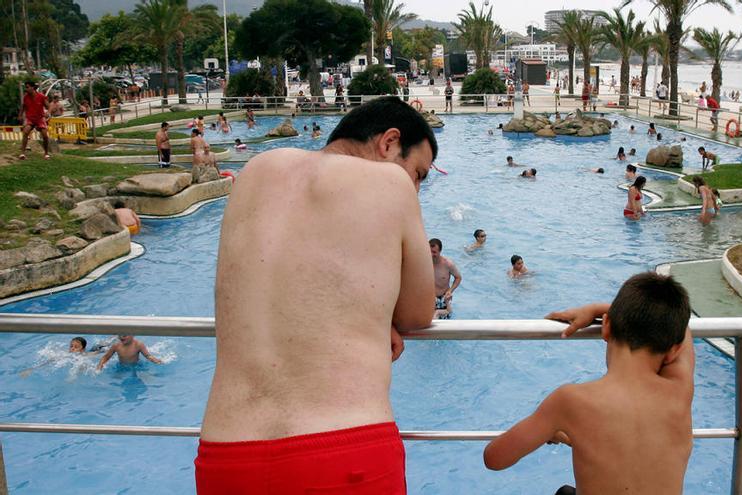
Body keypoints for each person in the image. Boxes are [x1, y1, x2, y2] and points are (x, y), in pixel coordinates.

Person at [197, 97, 437, 494]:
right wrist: (378, 323)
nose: (415, 187)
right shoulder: (391, 184)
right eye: (419, 174)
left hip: (227, 454)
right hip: (344, 449)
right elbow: (417, 313)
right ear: (390, 143)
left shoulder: (256, 170)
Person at [485, 273, 693, 495]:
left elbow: (495, 458)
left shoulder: (570, 401)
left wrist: (550, 428)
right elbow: (684, 332)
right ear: (673, 351)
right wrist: (605, 310)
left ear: (606, 327)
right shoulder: (680, 391)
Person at [18, 81, 51, 160]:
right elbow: (23, 107)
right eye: (26, 87)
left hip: (40, 118)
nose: (26, 89)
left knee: (45, 136)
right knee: (25, 132)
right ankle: (22, 153)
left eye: (28, 87)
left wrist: (48, 112)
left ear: (33, 88)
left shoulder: (41, 96)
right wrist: (20, 115)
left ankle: (46, 153)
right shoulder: (26, 97)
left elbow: (49, 106)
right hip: (30, 118)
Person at [430, 238, 462, 319]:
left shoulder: (448, 264)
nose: (431, 254)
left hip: (444, 298)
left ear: (440, 251)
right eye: (429, 251)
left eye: (434, 252)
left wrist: (450, 291)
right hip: (429, 297)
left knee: (445, 322)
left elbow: (458, 277)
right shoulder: (424, 263)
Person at [96, 335, 162, 371]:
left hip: (136, 365)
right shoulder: (116, 345)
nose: (121, 337)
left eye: (124, 335)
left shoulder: (138, 345)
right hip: (121, 366)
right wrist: (100, 365)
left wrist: (155, 360)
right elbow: (106, 357)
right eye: (119, 335)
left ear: (133, 335)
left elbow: (148, 356)